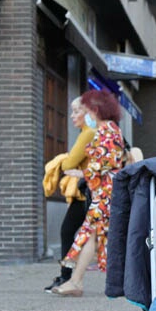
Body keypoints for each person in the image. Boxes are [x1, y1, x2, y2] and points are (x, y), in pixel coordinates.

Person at [51, 90, 128, 297]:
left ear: (94, 111)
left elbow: (106, 162)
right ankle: (77, 281)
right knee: (95, 235)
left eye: (84, 110)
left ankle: (76, 281)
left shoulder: (106, 131)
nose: (83, 115)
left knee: (90, 234)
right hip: (105, 191)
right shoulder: (111, 129)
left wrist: (82, 172)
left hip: (104, 191)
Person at [44, 97, 95, 293]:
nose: (72, 116)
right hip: (84, 193)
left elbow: (68, 164)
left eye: (76, 112)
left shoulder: (87, 134)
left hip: (84, 194)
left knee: (70, 233)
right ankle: (69, 277)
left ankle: (68, 278)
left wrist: (64, 159)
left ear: (87, 112)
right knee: (87, 236)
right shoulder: (87, 133)